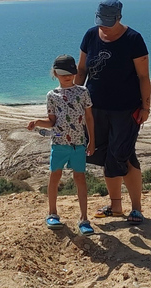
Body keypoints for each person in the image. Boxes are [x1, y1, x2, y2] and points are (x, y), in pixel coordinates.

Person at [75, 0, 151, 225]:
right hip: (94, 108)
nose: (104, 26)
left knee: (123, 155)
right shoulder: (90, 36)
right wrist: (75, 100)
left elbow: (143, 76)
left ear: (119, 17)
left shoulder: (133, 40)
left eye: (108, 21)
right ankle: (116, 206)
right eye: (101, 21)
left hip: (126, 110)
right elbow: (81, 69)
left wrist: (146, 107)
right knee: (107, 156)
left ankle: (136, 209)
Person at [27, 54, 96, 236]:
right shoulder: (52, 95)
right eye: (63, 73)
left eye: (70, 72)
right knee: (54, 176)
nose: (68, 76)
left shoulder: (83, 92)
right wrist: (37, 122)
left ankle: (84, 219)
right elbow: (52, 122)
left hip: (78, 143)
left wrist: (92, 141)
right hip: (58, 143)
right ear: (55, 73)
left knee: (80, 178)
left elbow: (89, 118)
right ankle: (52, 213)